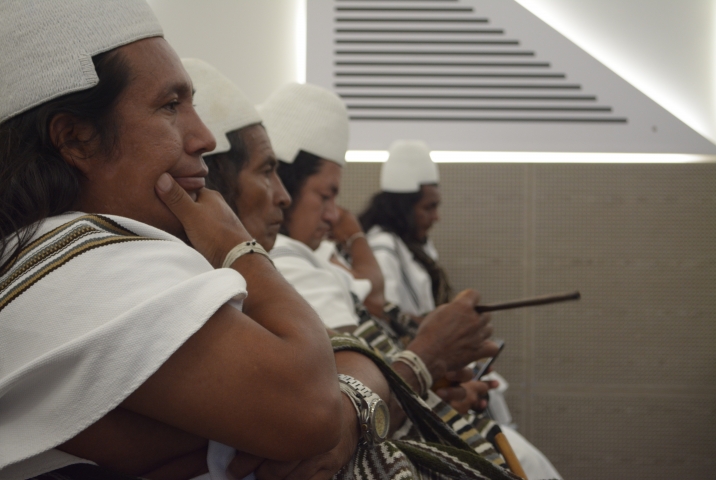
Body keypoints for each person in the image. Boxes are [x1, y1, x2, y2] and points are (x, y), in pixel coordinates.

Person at [0, 2, 349, 478]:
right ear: (76, 139)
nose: (203, 136)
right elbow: (312, 411)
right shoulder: (77, 257)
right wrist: (238, 247)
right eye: (169, 106)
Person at [189, 61, 520, 480]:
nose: (284, 198)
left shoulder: (259, 266)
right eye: (267, 172)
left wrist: (425, 383)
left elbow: (350, 396)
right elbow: (329, 412)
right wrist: (426, 360)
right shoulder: (263, 267)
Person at [360, 140, 564, 480]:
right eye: (429, 207)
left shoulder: (414, 246)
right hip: (413, 389)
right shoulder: (382, 249)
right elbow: (389, 327)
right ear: (403, 207)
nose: (436, 216)